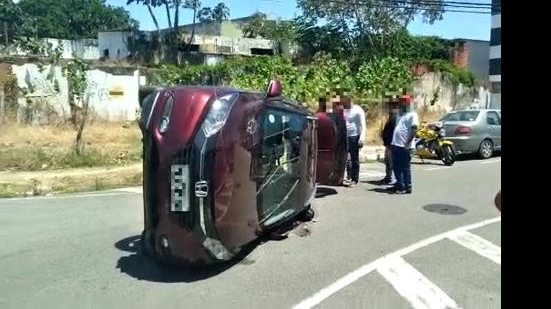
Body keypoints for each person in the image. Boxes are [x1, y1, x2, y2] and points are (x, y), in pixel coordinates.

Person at [389, 95, 418, 194]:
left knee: (405, 167)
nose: (400, 104)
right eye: (400, 102)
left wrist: (407, 143)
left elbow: (414, 129)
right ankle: (399, 184)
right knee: (396, 166)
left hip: (405, 146)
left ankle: (407, 187)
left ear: (407, 103)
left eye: (403, 102)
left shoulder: (412, 115)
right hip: (396, 144)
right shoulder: (400, 114)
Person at [342, 95, 367, 187]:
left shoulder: (358, 110)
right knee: (344, 158)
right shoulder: (343, 109)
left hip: (354, 137)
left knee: (354, 159)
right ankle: (346, 176)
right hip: (344, 136)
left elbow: (362, 125)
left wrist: (361, 138)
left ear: (349, 100)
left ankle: (354, 179)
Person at [378, 101, 400, 185]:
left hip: (391, 143)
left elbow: (393, 130)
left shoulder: (395, 117)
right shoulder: (391, 117)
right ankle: (388, 177)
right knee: (387, 161)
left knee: (391, 162)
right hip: (388, 143)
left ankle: (392, 178)